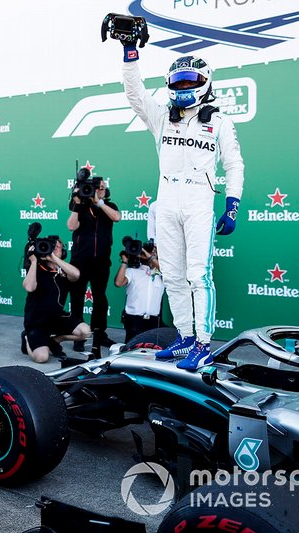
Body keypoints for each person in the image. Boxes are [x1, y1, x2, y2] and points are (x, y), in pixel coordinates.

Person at [117, 24, 244, 370]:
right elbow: (134, 95)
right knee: (171, 275)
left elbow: (234, 165)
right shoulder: (161, 118)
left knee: (198, 276)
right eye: (178, 81)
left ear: (204, 82)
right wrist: (130, 54)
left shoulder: (220, 122)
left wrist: (232, 204)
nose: (183, 87)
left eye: (190, 81)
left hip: (200, 201)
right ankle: (185, 337)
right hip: (167, 201)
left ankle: (203, 343)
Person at [67, 168, 121, 354]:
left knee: (100, 299)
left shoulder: (110, 206)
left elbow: (117, 217)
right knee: (77, 298)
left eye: (103, 188)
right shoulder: (80, 206)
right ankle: (78, 336)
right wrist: (77, 205)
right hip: (80, 260)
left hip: (101, 260)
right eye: (97, 188)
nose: (100, 190)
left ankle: (100, 334)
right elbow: (71, 226)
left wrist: (99, 203)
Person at [21, 236, 91, 364]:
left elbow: (76, 275)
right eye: (52, 247)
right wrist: (34, 262)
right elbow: (30, 287)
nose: (54, 249)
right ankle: (27, 337)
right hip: (36, 323)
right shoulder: (37, 270)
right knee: (42, 358)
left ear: (63, 252)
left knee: (85, 332)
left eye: (58, 247)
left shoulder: (63, 273)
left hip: (57, 319)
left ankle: (54, 341)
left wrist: (53, 258)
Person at [114, 241, 165, 342]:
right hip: (134, 320)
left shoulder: (161, 273)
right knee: (131, 351)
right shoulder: (132, 271)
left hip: (154, 321)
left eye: (154, 254)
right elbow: (118, 283)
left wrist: (148, 255)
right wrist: (124, 262)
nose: (151, 256)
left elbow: (166, 271)